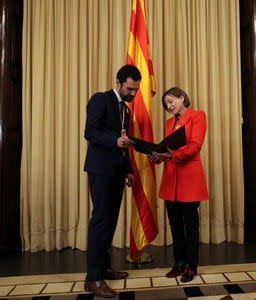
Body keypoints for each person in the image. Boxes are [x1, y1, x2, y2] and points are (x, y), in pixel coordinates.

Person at [83, 64, 140, 298]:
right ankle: (93, 278)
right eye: (130, 89)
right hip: (100, 171)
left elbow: (123, 141)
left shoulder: (125, 110)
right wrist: (115, 140)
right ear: (118, 82)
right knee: (100, 221)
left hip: (117, 172)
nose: (133, 94)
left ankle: (104, 268)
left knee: (110, 221)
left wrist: (128, 169)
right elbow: (90, 132)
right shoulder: (100, 99)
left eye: (136, 90)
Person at [149, 87, 209, 282]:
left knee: (190, 227)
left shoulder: (198, 116)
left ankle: (191, 266)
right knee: (175, 226)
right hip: (170, 181)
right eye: (166, 104)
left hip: (189, 179)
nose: (169, 106)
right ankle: (179, 264)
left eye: (171, 101)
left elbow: (195, 146)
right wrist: (158, 156)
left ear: (182, 98)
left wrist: (172, 154)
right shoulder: (168, 123)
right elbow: (167, 148)